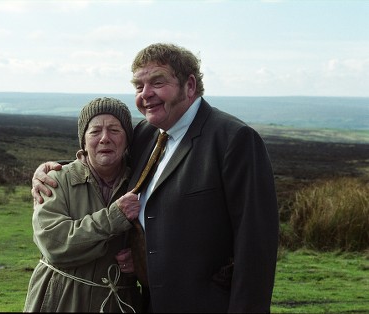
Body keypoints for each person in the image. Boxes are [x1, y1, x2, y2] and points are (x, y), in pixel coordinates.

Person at [32, 43, 279, 313]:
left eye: (157, 82)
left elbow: (256, 247)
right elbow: (105, 159)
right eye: (139, 86)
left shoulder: (234, 140)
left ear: (190, 85)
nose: (146, 94)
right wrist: (57, 170)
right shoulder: (146, 135)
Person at [23, 97, 142, 312]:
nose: (105, 138)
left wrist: (141, 260)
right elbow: (53, 244)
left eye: (114, 130)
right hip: (59, 300)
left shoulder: (140, 184)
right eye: (95, 131)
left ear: (127, 140)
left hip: (119, 303)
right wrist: (113, 218)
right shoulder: (56, 180)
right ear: (83, 142)